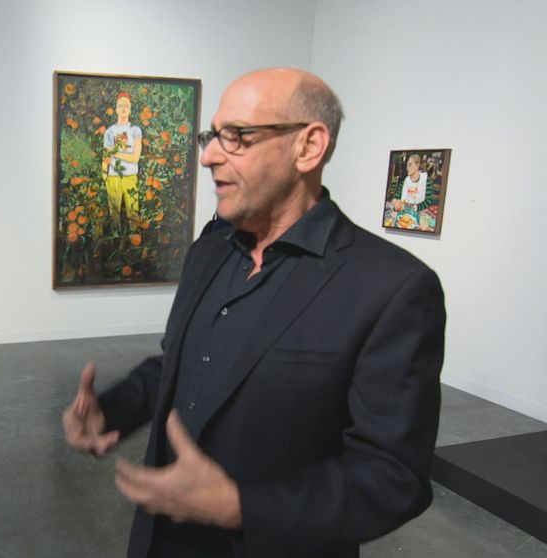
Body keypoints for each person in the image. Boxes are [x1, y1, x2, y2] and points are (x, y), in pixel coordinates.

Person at [63, 68, 445, 557]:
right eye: (211, 136)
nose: (208, 156)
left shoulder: (392, 287)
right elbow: (181, 362)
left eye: (237, 136)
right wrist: (110, 410)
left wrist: (241, 506)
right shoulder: (210, 250)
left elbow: (394, 477)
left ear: (308, 147)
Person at [103, 91, 143, 233]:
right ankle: (116, 247)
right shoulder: (109, 132)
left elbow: (135, 158)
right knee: (114, 215)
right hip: (113, 178)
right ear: (116, 109)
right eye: (121, 105)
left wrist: (115, 151)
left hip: (130, 177)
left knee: (133, 213)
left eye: (127, 105)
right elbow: (106, 157)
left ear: (130, 109)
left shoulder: (135, 130)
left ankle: (134, 247)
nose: (124, 108)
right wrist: (105, 177)